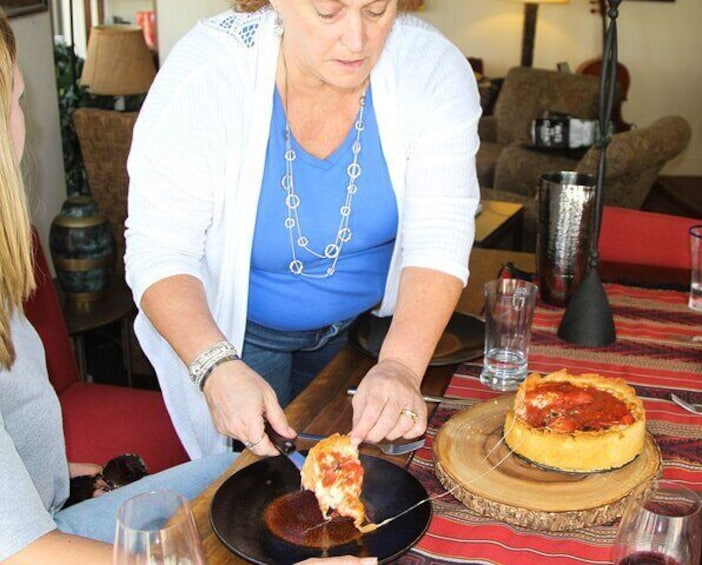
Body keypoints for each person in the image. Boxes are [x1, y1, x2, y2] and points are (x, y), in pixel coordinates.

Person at [0, 10, 374, 565]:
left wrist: (58, 478)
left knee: (258, 478)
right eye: (15, 100)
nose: (20, 121)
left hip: (47, 511)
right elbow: (24, 551)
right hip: (41, 544)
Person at [125, 0, 480, 458]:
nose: (357, 40)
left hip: (365, 333)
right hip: (238, 335)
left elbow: (441, 234)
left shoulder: (431, 68)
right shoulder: (207, 74)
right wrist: (215, 367)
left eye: (376, 10)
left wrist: (401, 365)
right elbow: (160, 251)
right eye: (329, 13)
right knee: (255, 490)